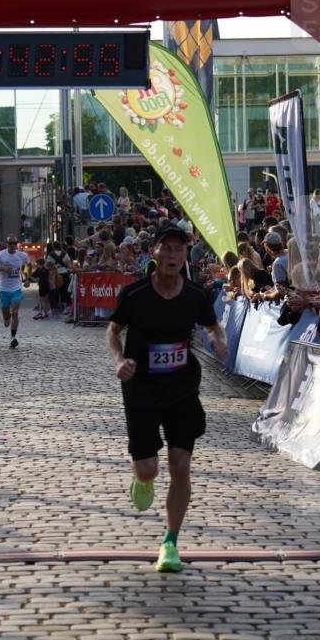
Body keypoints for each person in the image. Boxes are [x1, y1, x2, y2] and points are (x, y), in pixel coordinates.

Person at [106, 224, 228, 573]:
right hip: (141, 388)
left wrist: (220, 340)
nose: (173, 255)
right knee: (149, 470)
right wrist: (119, 360)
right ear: (154, 252)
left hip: (182, 389)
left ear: (185, 255)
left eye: (179, 249)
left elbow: (211, 325)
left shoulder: (196, 295)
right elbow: (113, 332)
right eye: (167, 248)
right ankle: (141, 477)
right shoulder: (135, 294)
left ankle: (170, 542)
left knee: (181, 464)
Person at [0, 235, 30, 348]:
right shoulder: (0, 255)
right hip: (3, 290)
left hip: (16, 288)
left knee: (15, 312)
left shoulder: (21, 255)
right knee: (7, 319)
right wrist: (2, 269)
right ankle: (7, 319)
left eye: (14, 243)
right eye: (10, 243)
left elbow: (29, 264)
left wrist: (28, 279)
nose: (12, 245)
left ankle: (13, 337)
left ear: (17, 244)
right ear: (6, 244)